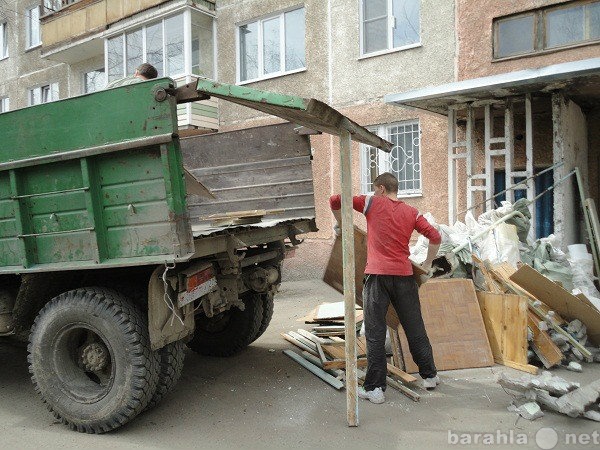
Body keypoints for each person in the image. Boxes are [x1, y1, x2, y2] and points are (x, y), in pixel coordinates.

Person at [329, 172, 442, 404]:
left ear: (380, 188)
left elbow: (335, 200)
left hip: (378, 277)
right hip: (404, 277)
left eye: (374, 188)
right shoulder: (412, 212)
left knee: (375, 332)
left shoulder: (371, 203)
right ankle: (430, 376)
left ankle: (375, 389)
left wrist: (342, 225)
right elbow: (435, 236)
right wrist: (428, 262)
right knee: (414, 327)